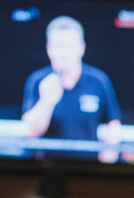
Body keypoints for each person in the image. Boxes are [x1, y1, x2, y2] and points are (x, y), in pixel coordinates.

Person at [22, 15, 121, 157]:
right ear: (49, 48)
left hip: (88, 167)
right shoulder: (38, 81)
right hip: (48, 166)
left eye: (69, 46)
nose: (63, 52)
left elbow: (113, 124)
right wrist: (46, 101)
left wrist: (108, 157)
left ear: (81, 48)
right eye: (58, 46)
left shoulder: (98, 81)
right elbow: (31, 132)